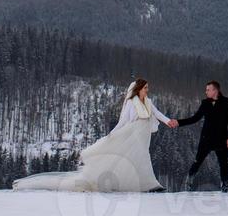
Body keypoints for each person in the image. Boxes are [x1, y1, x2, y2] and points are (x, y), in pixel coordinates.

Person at [12, 78, 176, 192]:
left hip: (143, 134)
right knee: (141, 157)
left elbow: (157, 113)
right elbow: (123, 121)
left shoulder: (148, 102)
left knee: (139, 157)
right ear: (139, 89)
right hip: (133, 133)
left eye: (148, 87)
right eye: (146, 87)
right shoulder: (131, 104)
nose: (148, 90)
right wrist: (112, 135)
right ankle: (150, 184)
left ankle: (143, 183)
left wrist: (169, 121)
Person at [174, 80, 228, 191]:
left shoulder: (227, 102)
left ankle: (225, 184)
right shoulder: (205, 103)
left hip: (222, 139)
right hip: (206, 139)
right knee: (197, 161)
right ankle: (188, 181)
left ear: (215, 90)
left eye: (208, 89)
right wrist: (179, 122)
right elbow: (195, 118)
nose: (205, 92)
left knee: (224, 163)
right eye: (206, 89)